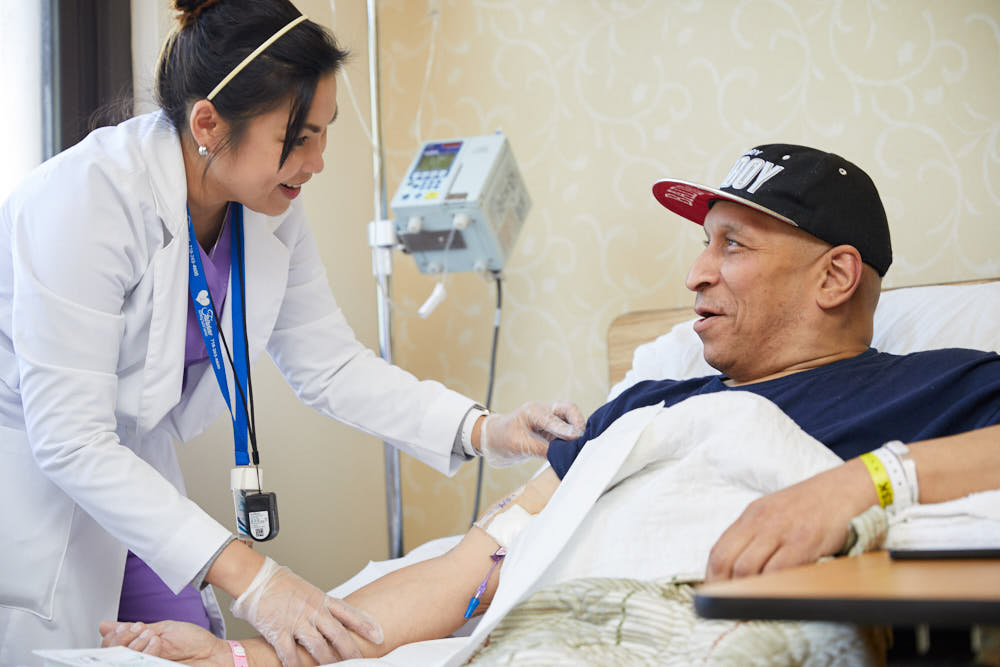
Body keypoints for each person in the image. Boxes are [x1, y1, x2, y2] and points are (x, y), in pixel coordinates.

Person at [100, 143, 1000, 664]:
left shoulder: (937, 386)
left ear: (837, 274)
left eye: (731, 245)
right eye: (700, 244)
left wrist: (861, 485)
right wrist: (245, 656)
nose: (694, 271)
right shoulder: (650, 401)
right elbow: (480, 568)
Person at [0, 1, 584, 665]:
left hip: (135, 482)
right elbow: (70, 437)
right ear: (208, 124)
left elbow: (331, 365)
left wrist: (486, 428)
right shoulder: (86, 198)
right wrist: (259, 578)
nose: (318, 160)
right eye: (299, 136)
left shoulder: (266, 209)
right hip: (34, 489)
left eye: (324, 133)